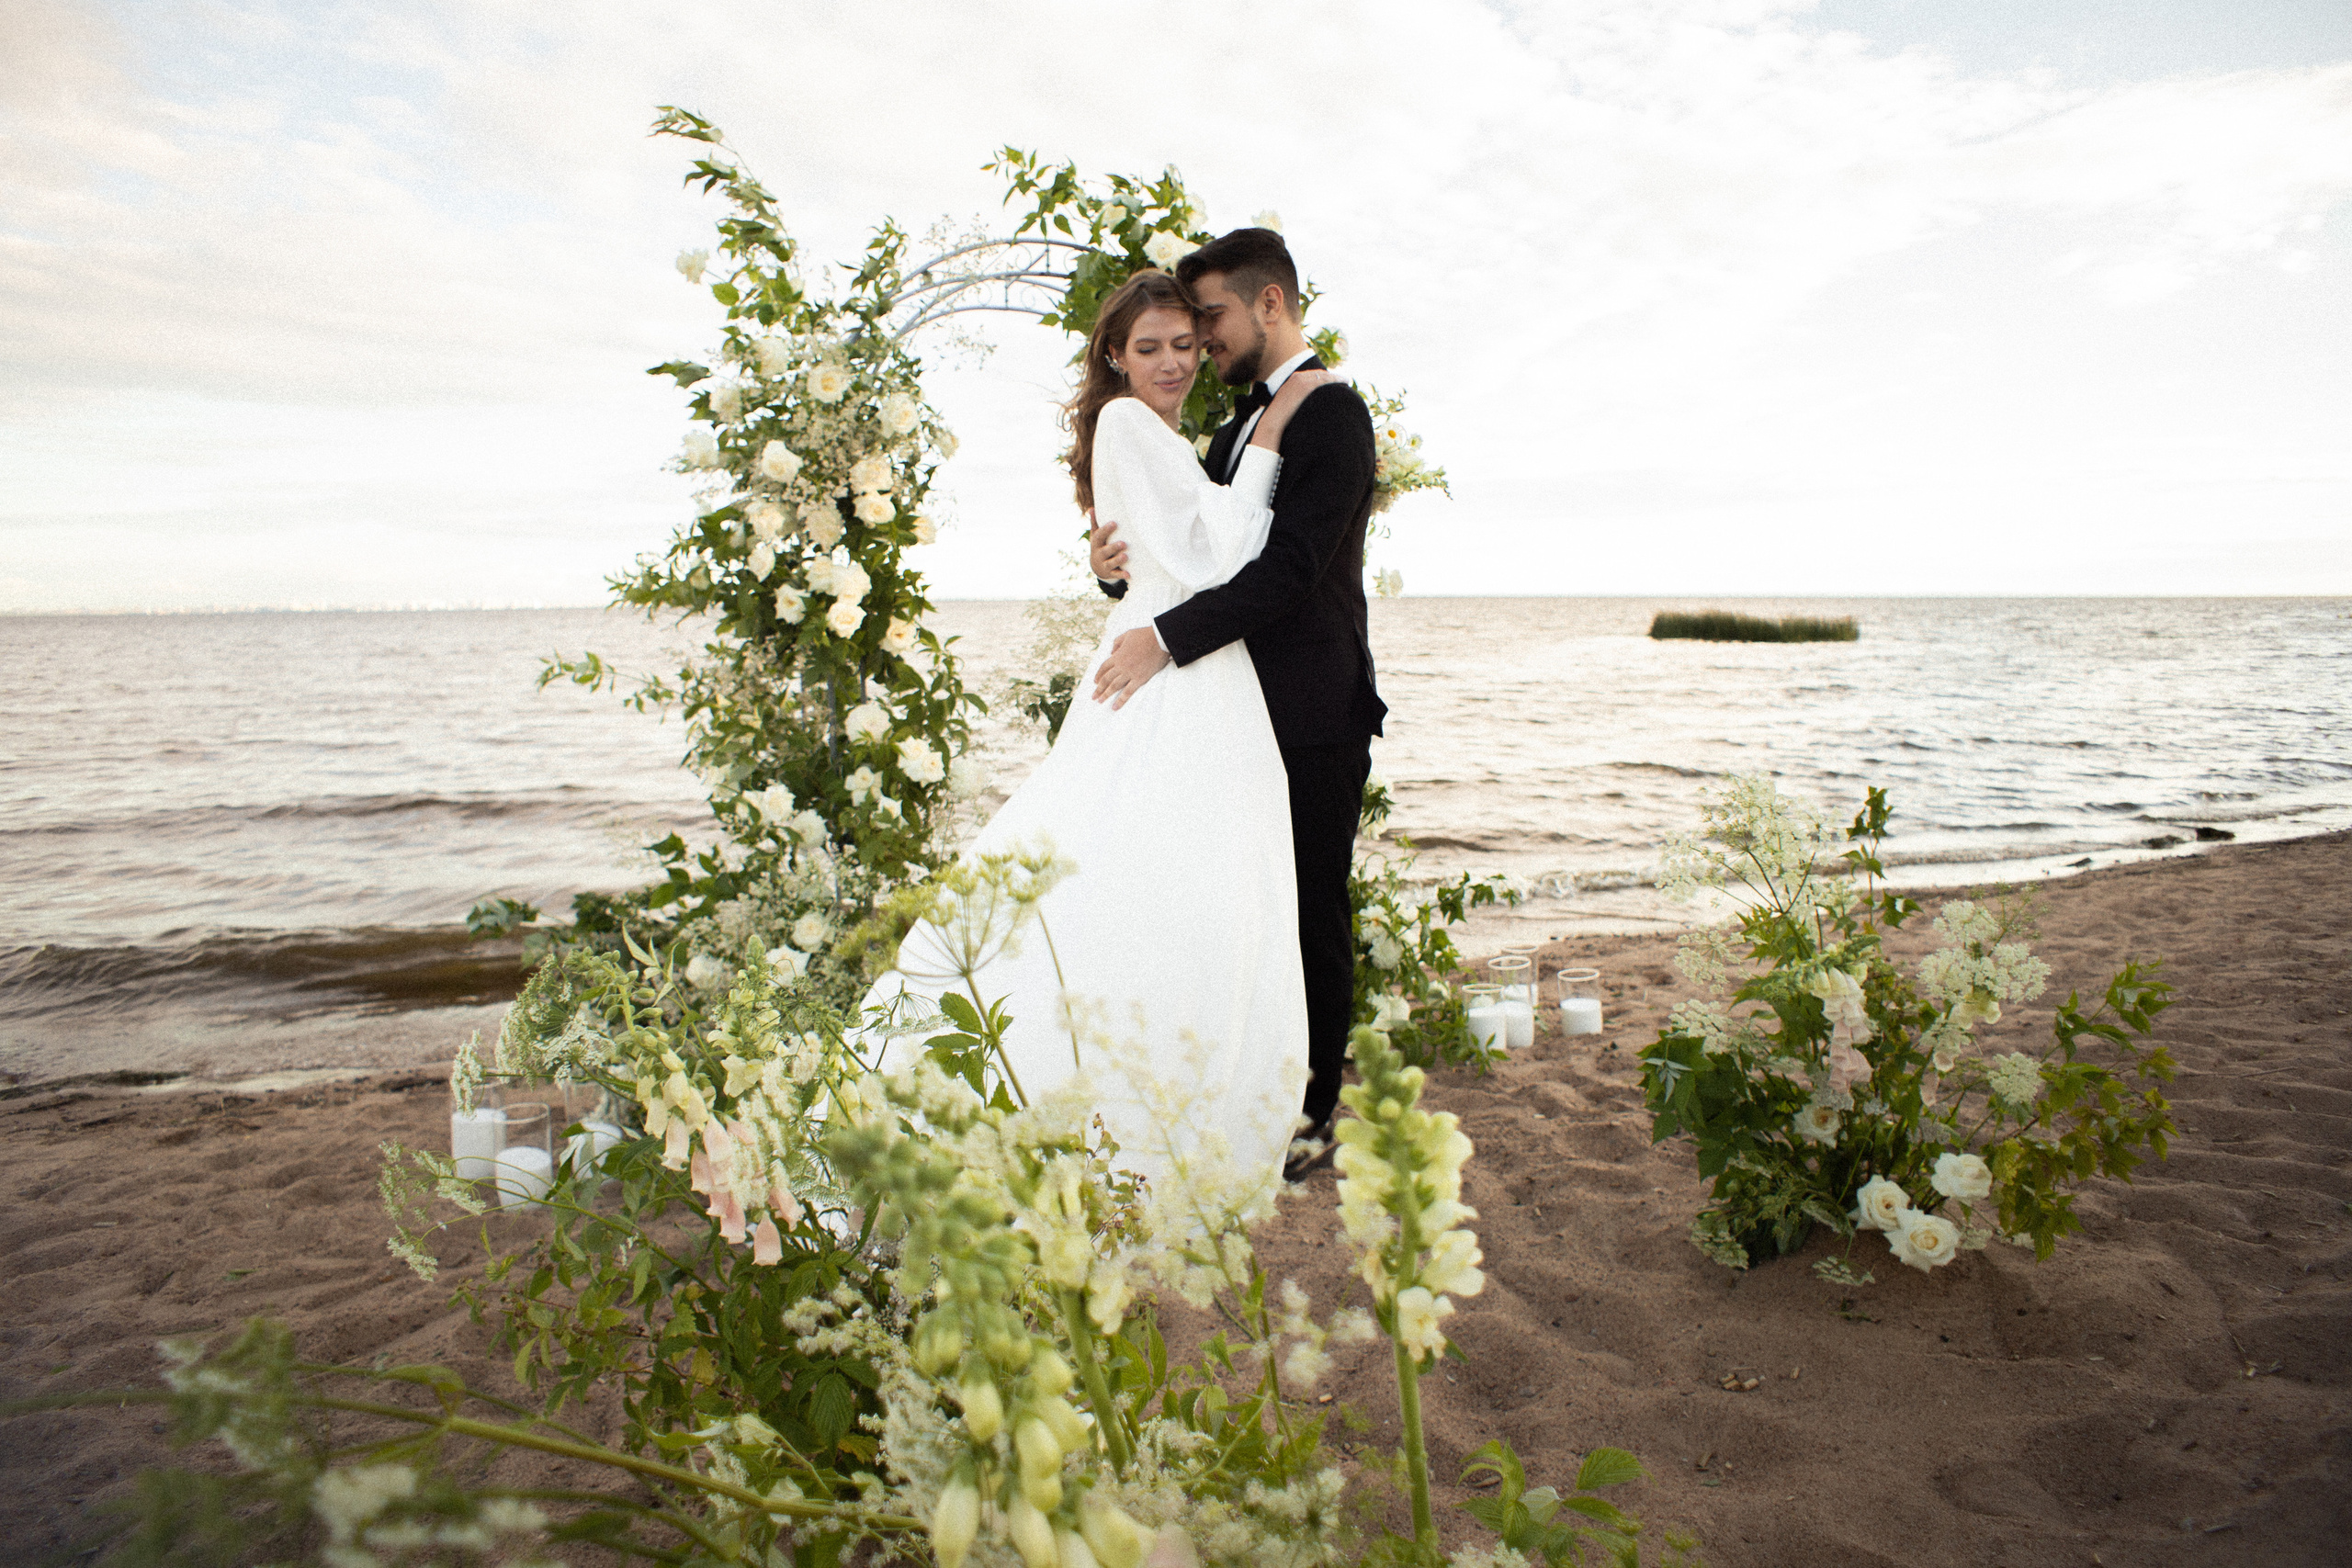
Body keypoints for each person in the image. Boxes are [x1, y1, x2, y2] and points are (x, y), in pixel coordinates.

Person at [869, 268, 1334, 1188]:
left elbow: (1158, 552)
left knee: (1158, 872)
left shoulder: (1157, 435)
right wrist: (1276, 430)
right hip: (1168, 670)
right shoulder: (1129, 422)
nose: (1169, 362)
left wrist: (1113, 571)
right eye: (1148, 348)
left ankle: (1157, 1066)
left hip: (1179, 661)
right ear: (1115, 358)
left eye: (1180, 344)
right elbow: (1222, 555)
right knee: (1142, 864)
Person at [1091, 227, 1385, 1183]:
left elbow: (1292, 571)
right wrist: (1116, 580)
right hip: (1232, 711)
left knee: (1308, 907)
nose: (1198, 341)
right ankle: (1242, 1080)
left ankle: (1308, 1117)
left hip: (1311, 706)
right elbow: (1190, 561)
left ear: (1269, 304)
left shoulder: (1332, 416)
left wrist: (1163, 643)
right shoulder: (1228, 427)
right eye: (1177, 331)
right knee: (1241, 902)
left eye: (1209, 318)